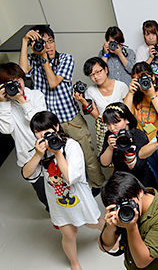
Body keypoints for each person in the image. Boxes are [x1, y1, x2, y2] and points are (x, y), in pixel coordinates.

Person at [18, 24, 106, 192]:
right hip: (50, 122)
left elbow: (53, 82)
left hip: (70, 118)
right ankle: (69, 185)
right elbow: (22, 72)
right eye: (42, 42)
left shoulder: (65, 59)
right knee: (57, 155)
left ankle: (98, 184)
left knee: (86, 152)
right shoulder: (34, 60)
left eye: (50, 41)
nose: (47, 46)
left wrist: (44, 57)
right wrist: (24, 41)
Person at [23, 111, 104, 270]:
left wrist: (57, 152)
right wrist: (38, 155)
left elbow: (70, 177)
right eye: (37, 131)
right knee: (69, 234)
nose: (41, 134)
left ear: (56, 127)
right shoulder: (40, 150)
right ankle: (74, 263)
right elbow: (27, 174)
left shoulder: (71, 145)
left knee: (94, 223)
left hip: (79, 198)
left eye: (46, 129)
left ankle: (114, 234)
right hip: (58, 203)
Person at [99, 171, 158, 270]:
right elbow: (104, 247)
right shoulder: (120, 211)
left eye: (128, 203)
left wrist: (131, 228)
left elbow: (142, 262)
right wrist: (110, 228)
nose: (124, 210)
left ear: (140, 193)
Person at [0, 62, 48, 209]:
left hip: (47, 150)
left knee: (58, 184)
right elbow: (6, 129)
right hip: (27, 156)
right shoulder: (4, 105)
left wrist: (22, 101)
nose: (15, 85)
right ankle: (51, 211)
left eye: (17, 80)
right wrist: (3, 103)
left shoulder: (35, 95)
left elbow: (41, 123)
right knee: (41, 191)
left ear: (23, 78)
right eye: (9, 83)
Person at [73, 57, 128, 154]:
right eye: (91, 75)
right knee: (109, 158)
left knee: (127, 154)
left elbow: (129, 109)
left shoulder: (121, 86)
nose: (96, 77)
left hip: (122, 127)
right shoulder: (90, 91)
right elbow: (95, 115)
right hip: (103, 128)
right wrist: (83, 101)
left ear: (106, 70)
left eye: (98, 72)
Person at [99, 102, 157, 189]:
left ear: (127, 120)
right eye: (108, 124)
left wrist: (128, 148)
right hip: (121, 179)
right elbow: (104, 163)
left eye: (115, 123)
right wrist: (110, 148)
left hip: (142, 180)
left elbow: (135, 168)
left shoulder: (138, 135)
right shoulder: (109, 135)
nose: (112, 128)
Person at [124, 62, 158, 141]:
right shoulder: (133, 96)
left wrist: (152, 95)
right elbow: (125, 118)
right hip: (140, 142)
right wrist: (130, 93)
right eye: (138, 80)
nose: (143, 82)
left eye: (144, 78)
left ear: (153, 77)